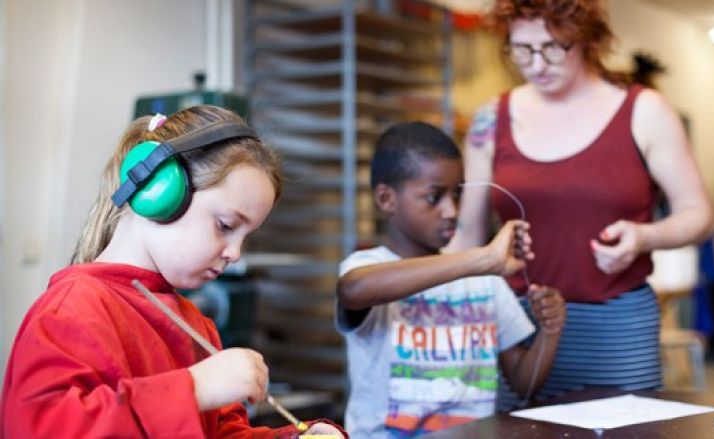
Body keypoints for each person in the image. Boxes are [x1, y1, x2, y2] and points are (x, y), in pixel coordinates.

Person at [0, 106, 346, 438]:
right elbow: (42, 428)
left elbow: (218, 432)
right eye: (225, 225)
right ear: (157, 190)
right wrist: (194, 388)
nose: (235, 254)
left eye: (245, 237)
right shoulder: (72, 309)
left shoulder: (196, 326)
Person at [447, 0, 714, 404]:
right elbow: (467, 236)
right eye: (522, 49)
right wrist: (410, 288)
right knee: (517, 430)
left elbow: (698, 214)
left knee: (627, 429)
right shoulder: (491, 119)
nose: (537, 64)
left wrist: (643, 237)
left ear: (587, 39)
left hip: (616, 328)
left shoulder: (644, 110)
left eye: (554, 47)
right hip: (520, 329)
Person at [335, 121, 565, 438]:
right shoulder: (369, 266)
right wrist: (481, 259)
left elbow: (523, 383)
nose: (451, 211)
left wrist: (550, 332)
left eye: (457, 195)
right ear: (387, 199)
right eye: (435, 197)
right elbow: (353, 289)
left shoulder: (484, 281)